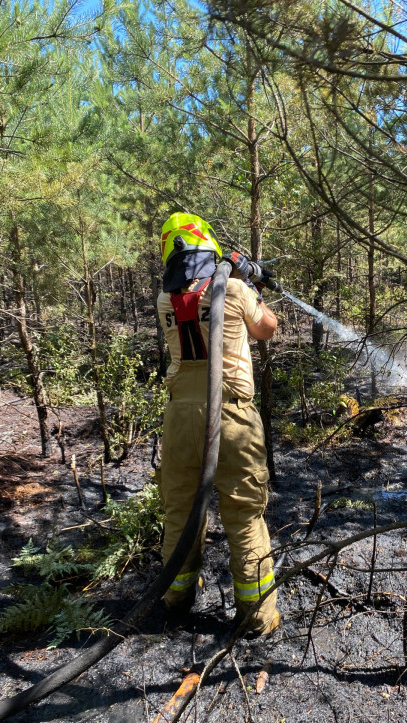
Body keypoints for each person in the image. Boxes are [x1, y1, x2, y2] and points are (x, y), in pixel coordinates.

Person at [157, 212, 279, 636]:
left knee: (179, 514)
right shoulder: (236, 290)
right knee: (244, 517)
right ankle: (257, 617)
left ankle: (175, 599)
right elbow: (267, 329)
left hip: (179, 418)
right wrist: (256, 287)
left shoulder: (163, 300)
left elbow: (197, 304)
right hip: (230, 415)